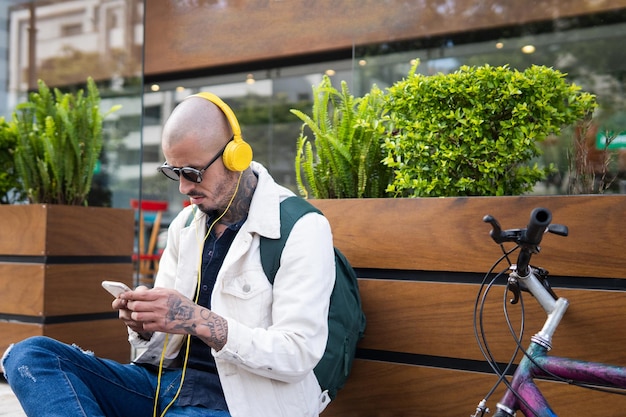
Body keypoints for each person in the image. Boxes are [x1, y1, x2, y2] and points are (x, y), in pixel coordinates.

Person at [1, 93, 336, 417]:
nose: (184, 187)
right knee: (30, 356)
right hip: (165, 387)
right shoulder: (186, 224)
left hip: (242, 403)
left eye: (193, 172)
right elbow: (159, 348)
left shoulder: (301, 228)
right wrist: (145, 324)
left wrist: (198, 320)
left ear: (237, 156)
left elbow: (297, 354)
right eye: (175, 173)